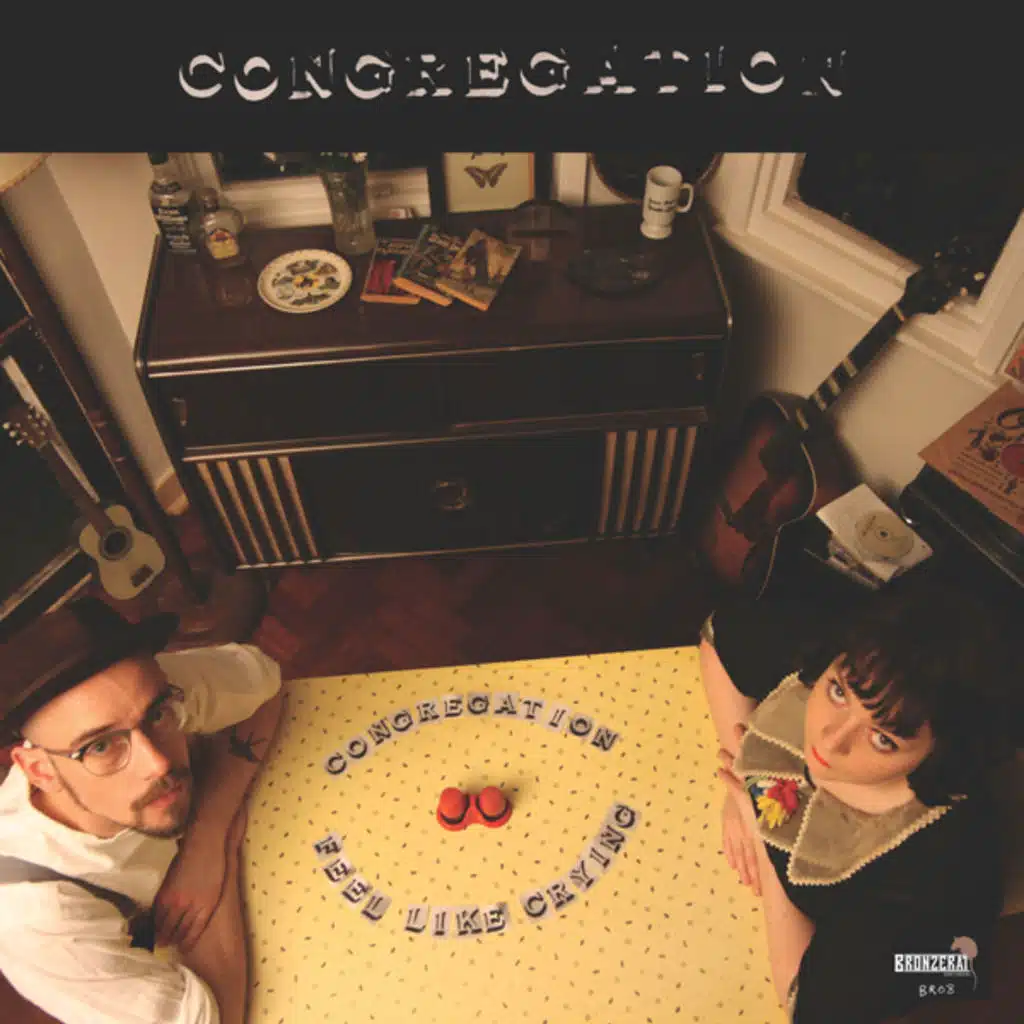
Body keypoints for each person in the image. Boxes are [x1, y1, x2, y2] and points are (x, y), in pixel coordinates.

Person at [699, 581, 1019, 1023]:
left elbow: (807, 1004)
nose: (831, 740)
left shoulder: (938, 877)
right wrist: (744, 766)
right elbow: (719, 636)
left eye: (883, 739)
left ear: (940, 752)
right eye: (837, 692)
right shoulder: (866, 658)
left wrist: (759, 833)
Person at [0, 596, 285, 1024]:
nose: (158, 764)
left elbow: (266, 689)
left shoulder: (145, 697)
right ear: (39, 770)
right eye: (100, 746)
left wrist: (208, 836)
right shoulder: (37, 920)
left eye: (157, 716)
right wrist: (221, 850)